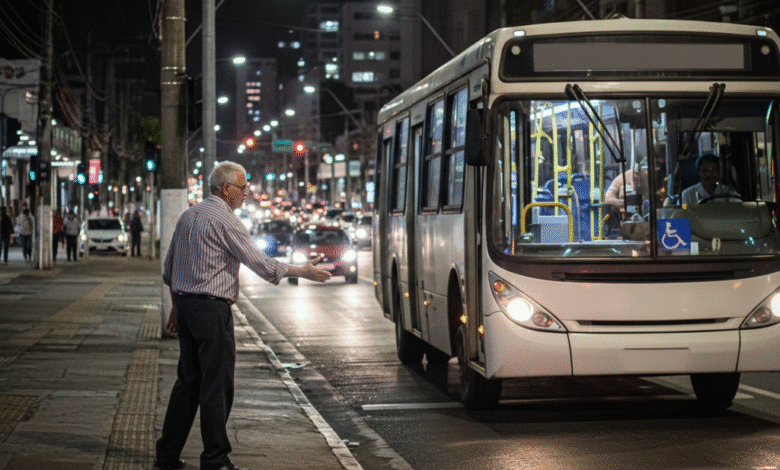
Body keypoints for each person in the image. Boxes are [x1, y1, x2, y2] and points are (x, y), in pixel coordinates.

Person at [154, 161, 332, 470]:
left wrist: (176, 305)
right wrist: (300, 271)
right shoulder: (226, 220)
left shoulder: (187, 217)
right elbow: (260, 264)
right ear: (226, 189)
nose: (246, 194)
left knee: (187, 384)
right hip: (211, 312)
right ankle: (215, 460)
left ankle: (166, 457)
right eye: (242, 188)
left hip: (186, 310)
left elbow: (170, 270)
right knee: (216, 386)